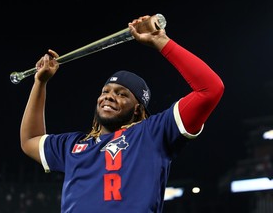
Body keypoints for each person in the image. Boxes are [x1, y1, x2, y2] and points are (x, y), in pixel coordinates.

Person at [20, 14, 224, 213]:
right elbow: (30, 139)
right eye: (105, 92)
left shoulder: (153, 133)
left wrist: (161, 41)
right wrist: (40, 83)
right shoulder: (73, 145)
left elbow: (210, 89)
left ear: (137, 109)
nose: (108, 97)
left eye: (121, 94)